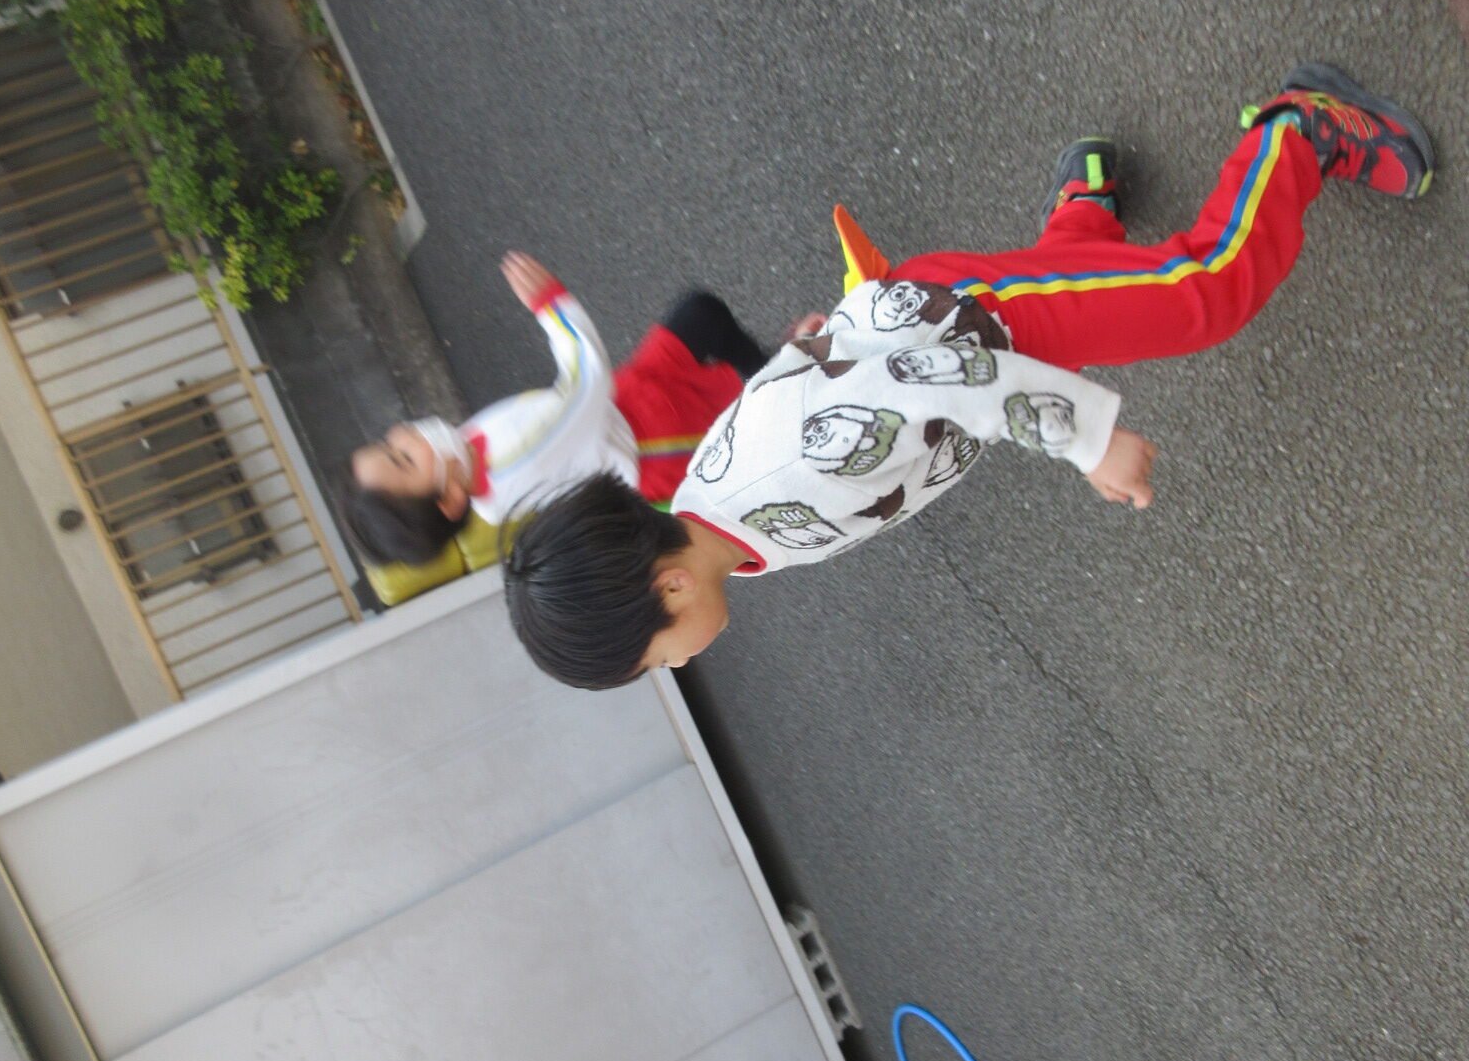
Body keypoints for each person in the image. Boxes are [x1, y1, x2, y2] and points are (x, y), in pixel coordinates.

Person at [501, 66, 1434, 689]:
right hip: (956, 344)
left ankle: (1300, 128)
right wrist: (819, 348)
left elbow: (943, 378)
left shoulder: (778, 481)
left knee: (1205, 295)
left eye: (655, 662)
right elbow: (791, 401)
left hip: (979, 322)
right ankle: (1082, 219)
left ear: (669, 591)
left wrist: (1088, 443)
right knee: (1085, 321)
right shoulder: (715, 524)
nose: (675, 666)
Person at [334, 251, 784, 569]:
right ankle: (786, 373)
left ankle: (773, 368)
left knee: (703, 321)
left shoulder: (472, 474)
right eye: (403, 459)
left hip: (616, 415)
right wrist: (551, 305)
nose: (401, 434)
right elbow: (585, 380)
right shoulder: (512, 455)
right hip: (652, 436)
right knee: (755, 415)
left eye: (386, 443)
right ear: (449, 499)